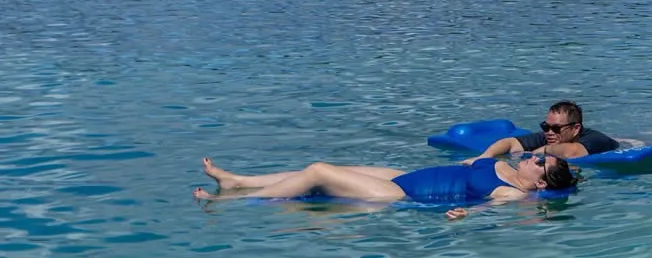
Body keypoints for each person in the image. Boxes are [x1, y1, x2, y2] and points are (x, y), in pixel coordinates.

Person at [194, 154, 575, 218]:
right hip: (403, 174)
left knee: (318, 171)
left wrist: (464, 216)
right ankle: (238, 181)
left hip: (402, 194)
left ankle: (227, 202)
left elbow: (490, 211)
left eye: (541, 162)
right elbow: (503, 147)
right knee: (326, 170)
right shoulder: (508, 165)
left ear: (540, 180)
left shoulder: (515, 193)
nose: (536, 156)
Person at [469, 101, 619, 161]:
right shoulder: (551, 137)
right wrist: (484, 157)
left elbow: (573, 152)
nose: (549, 132)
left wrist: (541, 150)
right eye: (545, 126)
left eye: (556, 128)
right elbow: (510, 143)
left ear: (576, 129)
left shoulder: (594, 139)